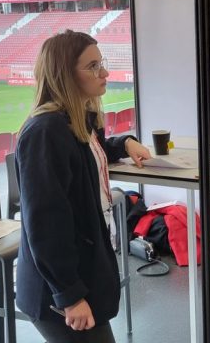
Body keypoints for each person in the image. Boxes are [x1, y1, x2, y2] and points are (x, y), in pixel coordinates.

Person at [15, 30, 151, 342]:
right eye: (92, 66)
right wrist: (69, 295)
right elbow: (45, 224)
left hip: (80, 274)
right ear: (64, 74)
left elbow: (90, 150)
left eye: (101, 63)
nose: (103, 72)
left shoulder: (75, 121)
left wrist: (124, 142)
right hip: (57, 292)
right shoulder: (45, 132)